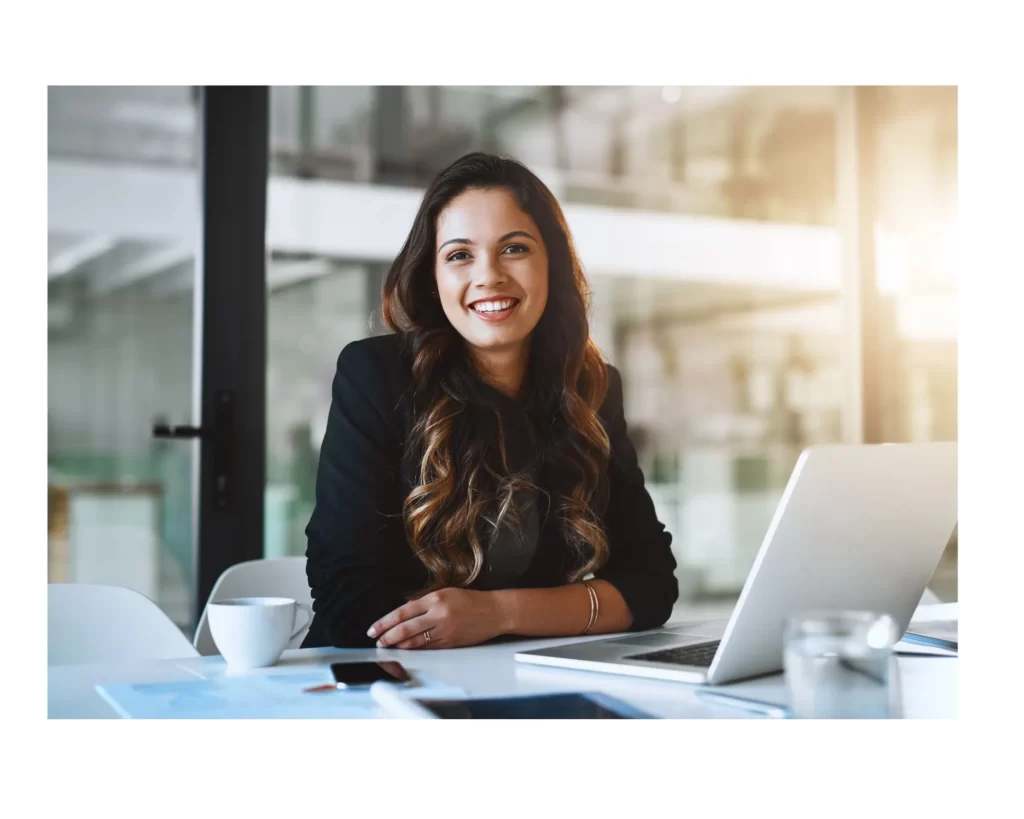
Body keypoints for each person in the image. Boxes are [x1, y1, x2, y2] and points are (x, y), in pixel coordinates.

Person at [302, 152, 677, 650]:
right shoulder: (375, 376)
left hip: (526, 683)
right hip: (381, 687)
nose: (489, 276)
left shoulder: (592, 388)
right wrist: (556, 612)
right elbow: (348, 600)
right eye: (460, 255)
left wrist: (497, 613)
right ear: (433, 278)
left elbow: (651, 585)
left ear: (553, 265)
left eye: (514, 248)